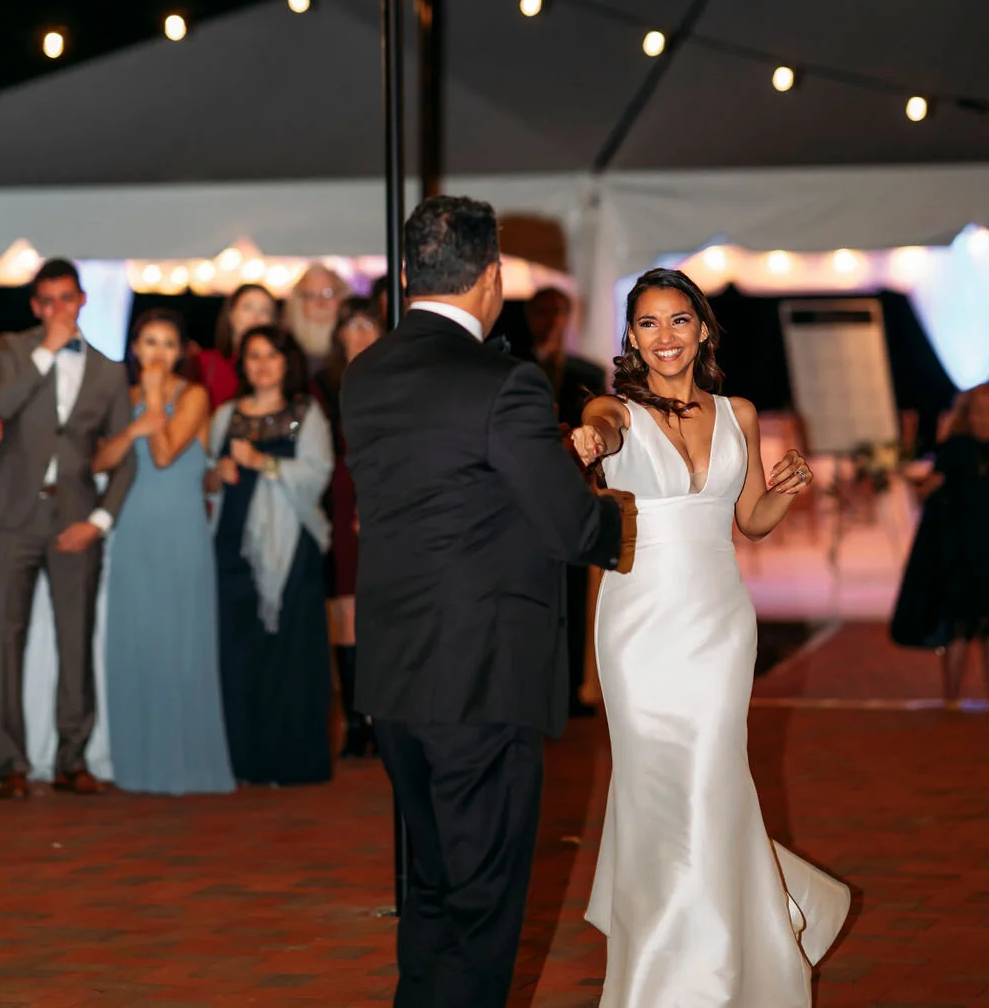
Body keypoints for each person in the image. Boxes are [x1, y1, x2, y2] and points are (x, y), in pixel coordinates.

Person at [340, 195, 633, 1008]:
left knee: (433, 889)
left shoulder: (366, 374)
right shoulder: (504, 383)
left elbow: (445, 489)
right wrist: (616, 509)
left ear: (407, 275)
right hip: (482, 677)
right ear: (492, 277)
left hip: (397, 675)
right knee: (482, 907)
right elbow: (572, 527)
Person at [571, 267, 850, 1007]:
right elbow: (602, 426)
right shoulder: (615, 409)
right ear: (632, 338)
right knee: (656, 785)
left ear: (702, 330)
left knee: (714, 776)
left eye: (678, 320)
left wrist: (784, 492)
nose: (665, 336)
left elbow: (748, 519)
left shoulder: (740, 413)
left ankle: (729, 950)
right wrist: (591, 438)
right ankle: (667, 962)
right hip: (638, 623)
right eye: (648, 323)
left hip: (719, 621)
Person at [0, 258, 134, 801]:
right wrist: (46, 349)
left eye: (67, 298)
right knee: (6, 638)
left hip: (75, 519)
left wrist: (99, 520)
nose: (58, 309)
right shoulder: (13, 349)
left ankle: (73, 758)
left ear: (82, 300)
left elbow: (123, 456)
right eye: (47, 301)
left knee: (76, 638)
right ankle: (9, 764)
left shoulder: (109, 370)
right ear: (35, 306)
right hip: (12, 516)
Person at [92, 310, 234, 794]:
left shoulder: (193, 396)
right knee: (137, 641)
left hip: (181, 531)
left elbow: (166, 453)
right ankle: (136, 763)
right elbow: (99, 461)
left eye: (168, 344)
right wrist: (130, 430)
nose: (158, 352)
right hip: (134, 530)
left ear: (180, 352)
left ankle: (184, 763)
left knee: (179, 641)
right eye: (149, 341)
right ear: (134, 347)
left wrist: (154, 400)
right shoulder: (122, 398)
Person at [209, 325, 335, 784]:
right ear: (242, 364)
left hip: (291, 549)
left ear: (287, 362)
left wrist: (263, 463)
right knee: (238, 652)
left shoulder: (305, 413)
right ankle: (242, 762)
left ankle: (290, 763)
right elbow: (207, 478)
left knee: (289, 654)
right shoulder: (225, 415)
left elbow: (319, 473)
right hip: (231, 546)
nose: (262, 365)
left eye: (272, 355)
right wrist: (217, 473)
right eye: (253, 356)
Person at [525, 285, 607, 717]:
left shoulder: (587, 373)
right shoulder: (513, 367)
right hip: (523, 503)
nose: (552, 320)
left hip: (572, 499)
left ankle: (572, 687)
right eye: (543, 311)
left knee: (574, 594)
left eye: (559, 312)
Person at [313, 294, 384, 757]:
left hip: (385, 491)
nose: (357, 334)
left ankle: (380, 714)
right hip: (338, 495)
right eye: (350, 325)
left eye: (366, 324)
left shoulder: (396, 376)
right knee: (345, 607)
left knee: (382, 607)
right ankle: (356, 720)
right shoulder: (325, 381)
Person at [891, 379, 989, 702]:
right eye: (979, 412)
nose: (984, 420)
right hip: (961, 551)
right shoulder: (955, 449)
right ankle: (952, 698)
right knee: (958, 625)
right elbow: (931, 495)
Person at [194, 284, 278, 411]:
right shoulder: (203, 362)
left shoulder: (279, 366)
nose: (256, 317)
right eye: (248, 307)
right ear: (231, 314)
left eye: (265, 310)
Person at [285, 263, 351, 377]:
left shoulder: (357, 349)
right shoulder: (285, 350)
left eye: (328, 293)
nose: (320, 303)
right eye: (311, 295)